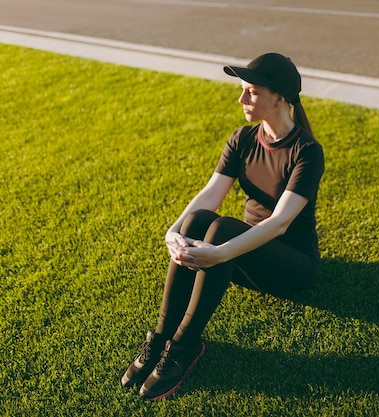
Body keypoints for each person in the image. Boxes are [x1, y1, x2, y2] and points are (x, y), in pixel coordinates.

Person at [120, 53, 324, 401]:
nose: (241, 99)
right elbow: (211, 193)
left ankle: (184, 345)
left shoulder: (306, 151)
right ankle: (161, 335)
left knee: (222, 231)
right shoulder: (242, 139)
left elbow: (279, 223)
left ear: (279, 97)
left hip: (292, 265)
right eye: (243, 90)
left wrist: (219, 253)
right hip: (243, 254)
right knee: (198, 222)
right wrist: (175, 231)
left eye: (252, 92)